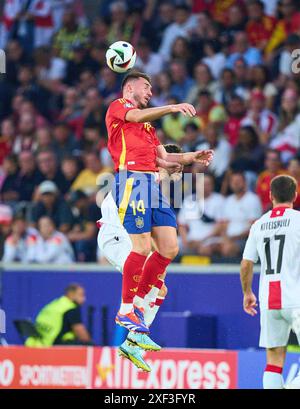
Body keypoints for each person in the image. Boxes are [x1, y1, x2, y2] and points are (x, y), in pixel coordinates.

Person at [105, 71, 213, 371]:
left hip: (152, 184)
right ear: (130, 88)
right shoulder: (118, 108)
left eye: (152, 87)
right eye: (146, 86)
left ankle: (137, 313)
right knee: (140, 248)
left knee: (168, 248)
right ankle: (127, 310)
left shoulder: (149, 127)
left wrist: (194, 157)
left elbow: (164, 160)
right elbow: (136, 116)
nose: (150, 91)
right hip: (132, 181)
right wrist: (172, 107)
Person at [240, 175, 300, 389]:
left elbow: (246, 263)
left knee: (273, 362)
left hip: (269, 301)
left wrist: (247, 293)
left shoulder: (259, 225)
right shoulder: (298, 221)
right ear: (295, 194)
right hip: (296, 298)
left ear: (270, 195)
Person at [25, 283, 93, 347]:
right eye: (81, 295)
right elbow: (82, 334)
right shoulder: (71, 308)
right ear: (71, 294)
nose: (84, 299)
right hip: (54, 346)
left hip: (37, 344)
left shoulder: (54, 304)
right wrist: (91, 345)